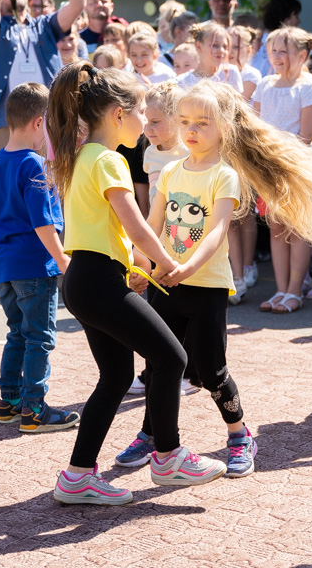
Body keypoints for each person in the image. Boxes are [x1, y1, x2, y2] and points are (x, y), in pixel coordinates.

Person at [118, 80, 312, 474]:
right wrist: (141, 264)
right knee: (160, 365)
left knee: (211, 370)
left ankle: (239, 436)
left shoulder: (225, 176)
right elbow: (151, 224)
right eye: (184, 121)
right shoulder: (169, 173)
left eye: (202, 122)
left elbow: (217, 231)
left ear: (225, 127)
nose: (191, 130)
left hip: (207, 287)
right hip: (165, 284)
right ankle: (152, 434)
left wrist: (186, 267)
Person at [46, 63, 228, 503]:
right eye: (141, 113)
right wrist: (168, 265)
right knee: (171, 358)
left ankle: (77, 476)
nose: (147, 122)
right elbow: (139, 227)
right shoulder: (108, 160)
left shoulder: (83, 155)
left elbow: (109, 232)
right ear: (116, 114)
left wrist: (135, 263)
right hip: (96, 281)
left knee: (116, 376)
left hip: (84, 280)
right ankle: (168, 457)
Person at [0, 82, 78, 433]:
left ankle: (9, 401)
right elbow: (44, 224)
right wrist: (64, 262)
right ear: (39, 123)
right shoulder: (36, 165)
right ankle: (34, 408)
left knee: (16, 333)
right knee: (40, 337)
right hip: (35, 265)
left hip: (4, 264)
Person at [253, 26, 312, 313]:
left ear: (302, 54)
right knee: (276, 229)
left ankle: (295, 291)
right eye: (272, 50)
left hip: (297, 168)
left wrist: (279, 159)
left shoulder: (308, 87)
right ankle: (281, 290)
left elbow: (306, 136)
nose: (276, 56)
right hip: (270, 169)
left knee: (298, 231)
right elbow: (257, 127)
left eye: (283, 50)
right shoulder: (264, 84)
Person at [0, 0, 86, 148]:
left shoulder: (46, 25)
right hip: (9, 121)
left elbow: (77, 5)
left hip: (50, 118)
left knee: (51, 171)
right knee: (14, 170)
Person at [177, 22, 242, 92]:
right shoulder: (182, 81)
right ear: (198, 46)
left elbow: (238, 102)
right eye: (215, 45)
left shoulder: (231, 73)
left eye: (225, 46)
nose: (221, 50)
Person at [251, 0, 301, 76]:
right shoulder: (260, 41)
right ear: (286, 18)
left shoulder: (259, 38)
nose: (299, 21)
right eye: (296, 16)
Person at [229, 25, 262, 101]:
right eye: (226, 46)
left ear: (249, 50)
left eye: (236, 47)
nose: (230, 51)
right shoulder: (217, 71)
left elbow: (238, 104)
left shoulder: (252, 74)